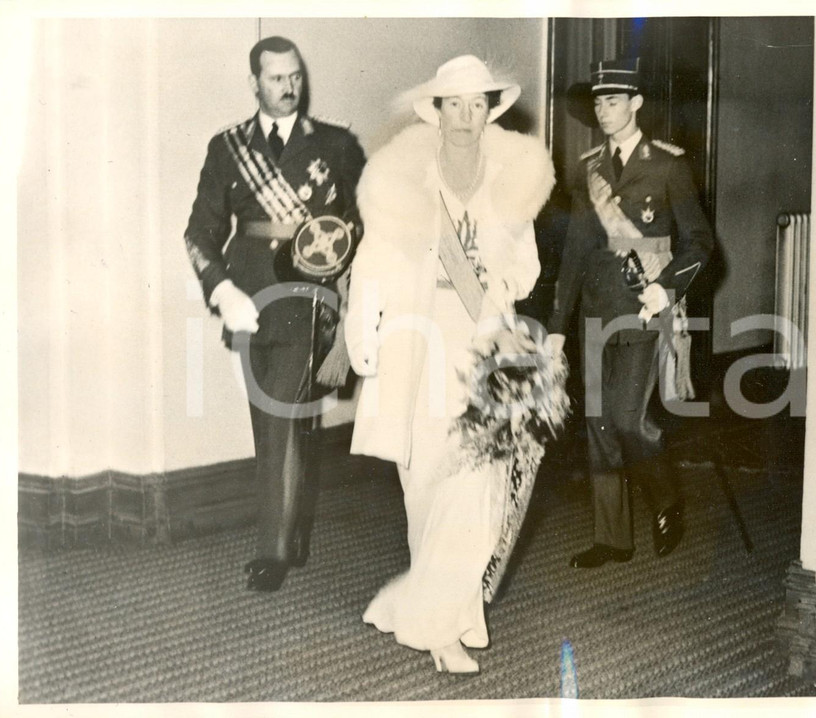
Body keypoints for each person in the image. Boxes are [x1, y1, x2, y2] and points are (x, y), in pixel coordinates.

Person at [345, 55, 555, 674]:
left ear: (490, 111)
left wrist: (500, 282)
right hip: (417, 340)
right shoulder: (404, 183)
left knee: (479, 485)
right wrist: (363, 327)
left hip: (481, 344)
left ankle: (439, 627)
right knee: (427, 484)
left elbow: (528, 264)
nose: (465, 117)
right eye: (453, 104)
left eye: (476, 104)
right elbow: (372, 261)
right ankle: (439, 612)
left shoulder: (507, 182)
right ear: (435, 113)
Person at [184, 36, 366, 592]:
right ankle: (293, 527)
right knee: (272, 421)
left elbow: (362, 222)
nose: (289, 88)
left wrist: (344, 286)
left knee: (282, 417)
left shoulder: (335, 145)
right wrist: (220, 291)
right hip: (248, 300)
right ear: (254, 83)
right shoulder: (227, 147)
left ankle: (275, 549)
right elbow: (200, 232)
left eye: (295, 77)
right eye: (276, 78)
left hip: (308, 296)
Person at [548, 58, 714, 569]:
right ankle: (612, 537)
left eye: (613, 100)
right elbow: (576, 250)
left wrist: (665, 290)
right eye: (598, 101)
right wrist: (557, 327)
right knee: (598, 425)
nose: (603, 110)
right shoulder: (587, 168)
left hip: (644, 309)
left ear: (637, 103)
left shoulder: (668, 163)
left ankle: (666, 500)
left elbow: (700, 242)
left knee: (627, 418)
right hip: (597, 310)